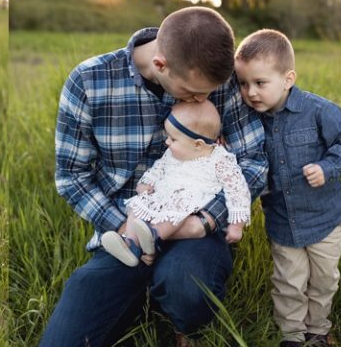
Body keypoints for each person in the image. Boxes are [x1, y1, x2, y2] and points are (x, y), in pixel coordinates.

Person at [30, 6, 268, 347]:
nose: (201, 99)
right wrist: (124, 224)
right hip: (128, 230)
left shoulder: (213, 75)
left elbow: (254, 162)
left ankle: (183, 328)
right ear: (160, 64)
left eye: (207, 93)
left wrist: (204, 221)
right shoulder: (90, 81)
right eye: (192, 93)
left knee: (188, 286)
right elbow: (72, 176)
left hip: (194, 227)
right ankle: (138, 299)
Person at [233, 29, 341, 347]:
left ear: (288, 78)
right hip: (282, 221)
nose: (251, 92)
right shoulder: (249, 120)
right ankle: (292, 337)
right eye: (244, 84)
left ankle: (318, 332)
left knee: (323, 279)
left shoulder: (319, 110)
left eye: (260, 83)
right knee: (288, 281)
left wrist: (327, 166)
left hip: (324, 218)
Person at [100, 100, 252, 266]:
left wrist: (237, 224)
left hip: (188, 200)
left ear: (198, 144)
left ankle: (153, 238)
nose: (167, 142)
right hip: (162, 194)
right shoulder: (170, 154)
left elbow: (237, 190)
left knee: (176, 212)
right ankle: (130, 244)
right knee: (138, 207)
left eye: (173, 139)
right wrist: (146, 183)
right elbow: (158, 169)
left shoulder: (219, 160)